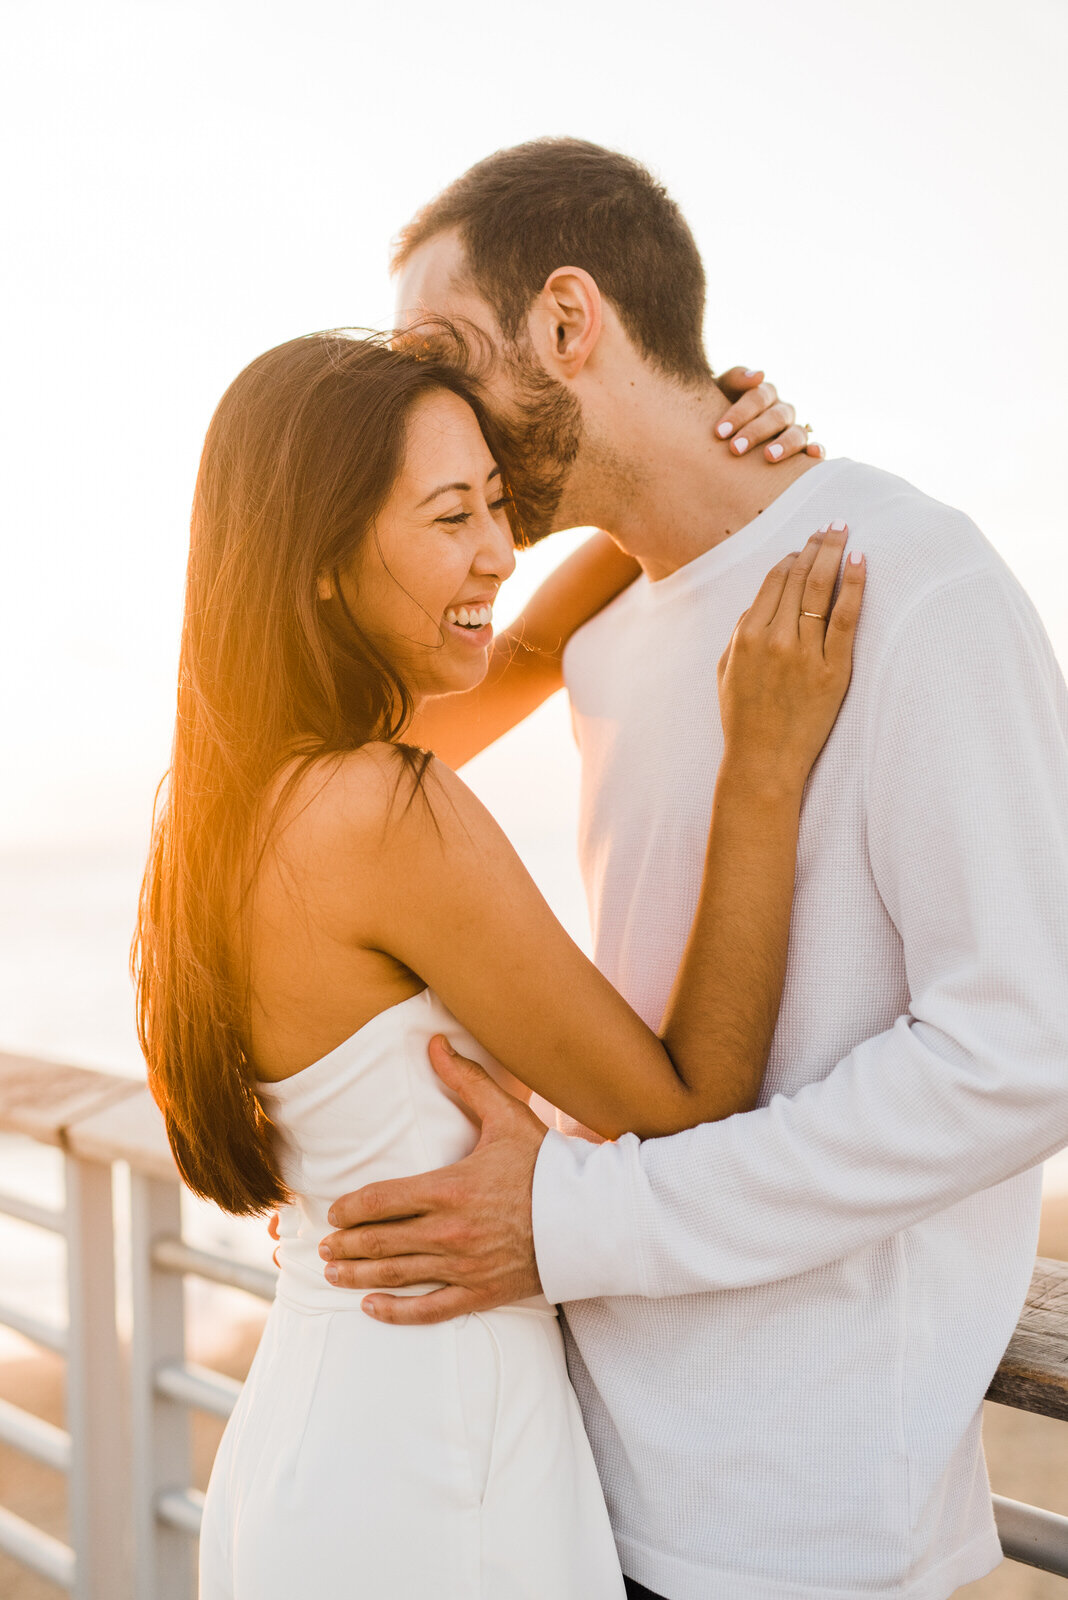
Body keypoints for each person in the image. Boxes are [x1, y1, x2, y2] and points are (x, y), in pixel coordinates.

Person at [320, 138, 1068, 1600]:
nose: (423, 405)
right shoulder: (601, 633)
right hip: (582, 1462)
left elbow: (1020, 1056)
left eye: (442, 352)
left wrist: (573, 1219)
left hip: (799, 1525)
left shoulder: (916, 584)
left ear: (568, 319)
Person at [133, 324, 862, 1597]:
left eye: (501, 507)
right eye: (450, 516)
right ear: (319, 560)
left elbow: (517, 651)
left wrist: (675, 485)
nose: (497, 550)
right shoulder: (381, 806)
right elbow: (687, 1101)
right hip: (435, 1464)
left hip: (314, 1443)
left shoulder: (241, 799)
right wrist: (762, 761)